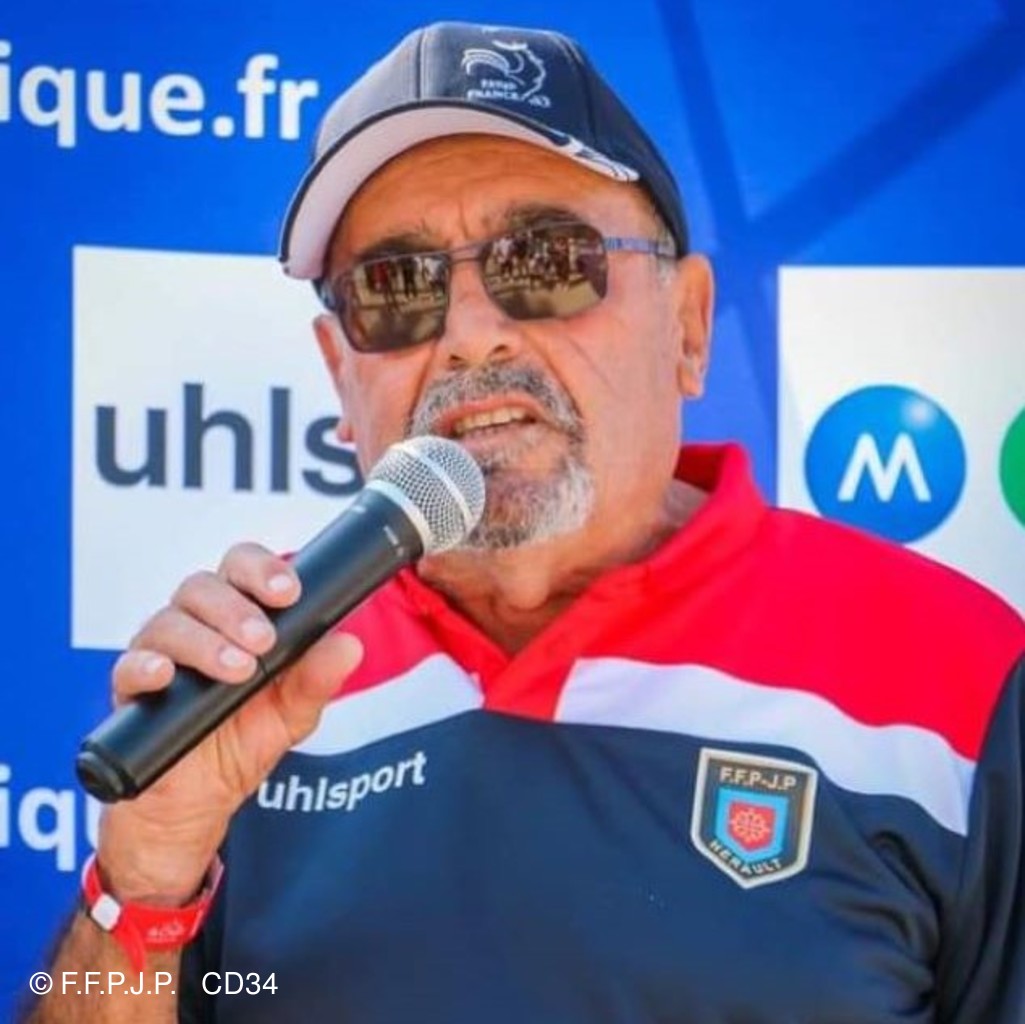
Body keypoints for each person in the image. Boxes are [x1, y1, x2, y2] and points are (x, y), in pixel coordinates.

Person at [25, 21, 1025, 1024]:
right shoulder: (246, 679)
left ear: (687, 326)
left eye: (545, 260)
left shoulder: (955, 669)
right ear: (340, 374)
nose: (471, 335)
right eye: (395, 287)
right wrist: (143, 884)